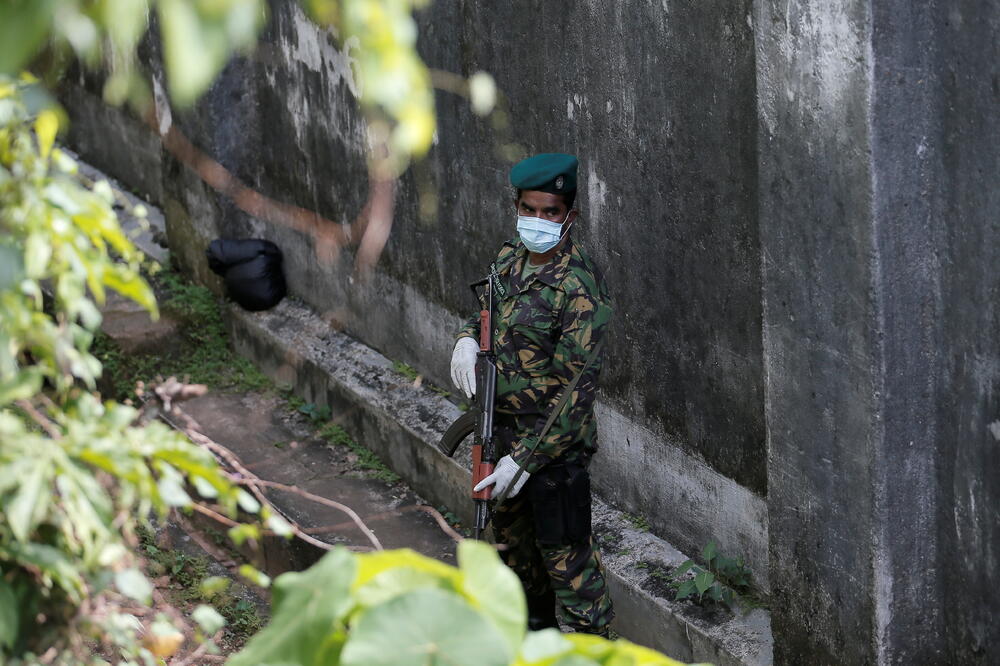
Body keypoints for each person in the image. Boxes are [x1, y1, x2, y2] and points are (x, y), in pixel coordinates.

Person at [450, 153, 614, 635]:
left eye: (551, 212)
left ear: (571, 216)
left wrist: (523, 459)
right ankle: (535, 640)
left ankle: (595, 650)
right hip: (499, 435)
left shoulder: (579, 286)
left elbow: (574, 394)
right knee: (517, 561)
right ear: (516, 206)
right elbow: (486, 317)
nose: (538, 221)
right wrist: (465, 338)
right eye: (529, 209)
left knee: (569, 566)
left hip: (552, 452)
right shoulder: (507, 260)